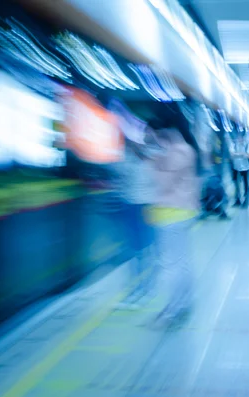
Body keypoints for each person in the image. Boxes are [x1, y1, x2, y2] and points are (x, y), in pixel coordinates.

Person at [147, 107, 201, 327]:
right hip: (181, 211)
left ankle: (173, 309)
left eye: (157, 134)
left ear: (167, 131)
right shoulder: (185, 149)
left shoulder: (178, 152)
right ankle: (183, 302)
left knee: (171, 265)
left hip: (172, 213)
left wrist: (152, 162)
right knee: (182, 262)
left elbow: (163, 183)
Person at [106, 99, 158, 310]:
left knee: (142, 251)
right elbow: (119, 177)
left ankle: (144, 289)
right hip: (132, 206)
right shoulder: (129, 156)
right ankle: (138, 288)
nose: (143, 137)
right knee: (135, 250)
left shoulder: (151, 156)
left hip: (144, 207)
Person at [229, 131, 249, 208]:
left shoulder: (247, 146)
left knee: (246, 185)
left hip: (245, 168)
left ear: (243, 138)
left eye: (241, 137)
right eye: (238, 137)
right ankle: (237, 200)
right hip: (236, 168)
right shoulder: (234, 145)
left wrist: (238, 154)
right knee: (236, 184)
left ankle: (246, 201)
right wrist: (242, 154)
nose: (239, 139)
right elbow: (232, 155)